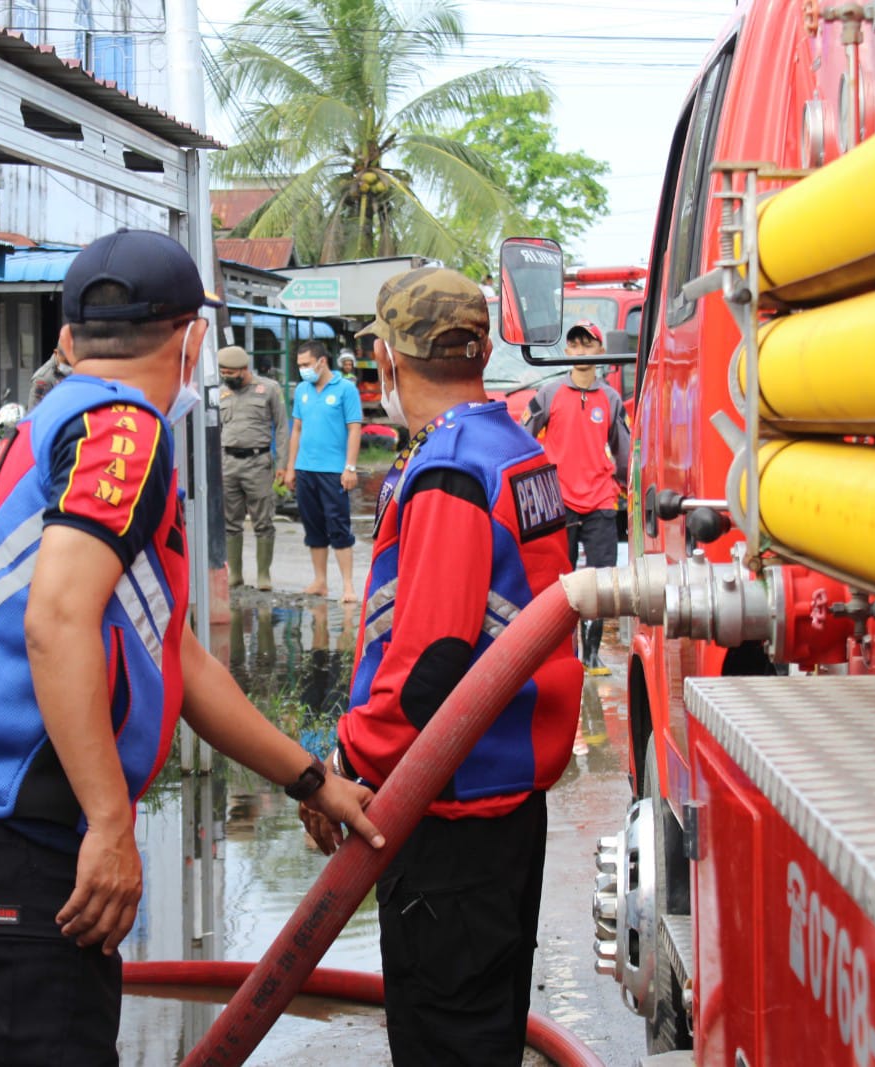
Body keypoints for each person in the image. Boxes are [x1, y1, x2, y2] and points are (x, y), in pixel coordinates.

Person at [0, 228, 383, 1066]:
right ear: (194, 338)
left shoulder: (56, 418)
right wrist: (107, 822)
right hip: (24, 830)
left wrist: (313, 779)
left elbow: (177, 658)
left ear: (65, 338)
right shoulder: (122, 432)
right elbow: (56, 620)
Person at [305, 266, 582, 1067]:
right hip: (505, 804)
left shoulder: (451, 471)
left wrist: (341, 770)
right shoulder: (515, 449)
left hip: (448, 815)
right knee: (484, 1031)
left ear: (388, 361)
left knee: (446, 1042)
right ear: (484, 348)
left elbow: (428, 674)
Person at [522, 319, 630, 675]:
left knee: (600, 581)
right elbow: (523, 436)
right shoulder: (549, 394)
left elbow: (624, 450)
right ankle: (560, 654)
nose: (582, 352)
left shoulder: (612, 399)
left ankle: (592, 655)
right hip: (560, 501)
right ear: (567, 351)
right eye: (576, 345)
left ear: (601, 351)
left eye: (589, 345)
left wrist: (627, 486)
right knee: (559, 581)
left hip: (601, 499)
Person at [280, 340, 363, 601]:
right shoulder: (303, 390)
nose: (303, 370)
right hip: (305, 469)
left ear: (321, 361)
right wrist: (290, 468)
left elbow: (354, 429)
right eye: (299, 365)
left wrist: (350, 467)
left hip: (333, 471)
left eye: (306, 364)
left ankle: (348, 585)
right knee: (313, 526)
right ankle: (320, 581)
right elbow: (297, 429)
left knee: (338, 525)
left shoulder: (346, 390)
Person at [218, 344, 287, 590]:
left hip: (258, 462)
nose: (226, 378)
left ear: (243, 369)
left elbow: (281, 427)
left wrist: (282, 464)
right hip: (227, 463)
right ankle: (235, 574)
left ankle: (263, 576)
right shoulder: (220, 393)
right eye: (222, 373)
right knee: (230, 521)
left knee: (263, 520)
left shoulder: (268, 389)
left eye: (230, 373)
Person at [27, 345, 72, 409]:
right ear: (56, 353)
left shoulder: (72, 370)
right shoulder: (43, 379)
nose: (69, 366)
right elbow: (34, 411)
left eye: (71, 362)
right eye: (65, 362)